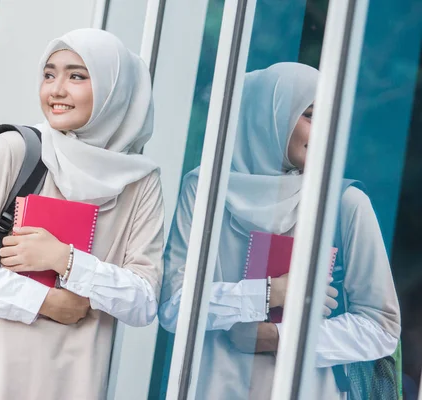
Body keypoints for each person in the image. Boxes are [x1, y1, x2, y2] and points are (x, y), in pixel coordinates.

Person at [0, 28, 165, 400]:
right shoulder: (16, 150)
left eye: (77, 76)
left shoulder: (140, 181)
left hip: (74, 382)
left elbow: (144, 302)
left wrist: (66, 260)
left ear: (114, 89)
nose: (56, 90)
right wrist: (46, 302)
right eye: (49, 74)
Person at [158, 62, 401, 399]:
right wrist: (271, 293)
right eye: (311, 116)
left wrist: (276, 337)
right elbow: (172, 308)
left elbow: (381, 329)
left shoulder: (345, 204)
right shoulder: (205, 191)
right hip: (211, 387)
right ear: (266, 117)